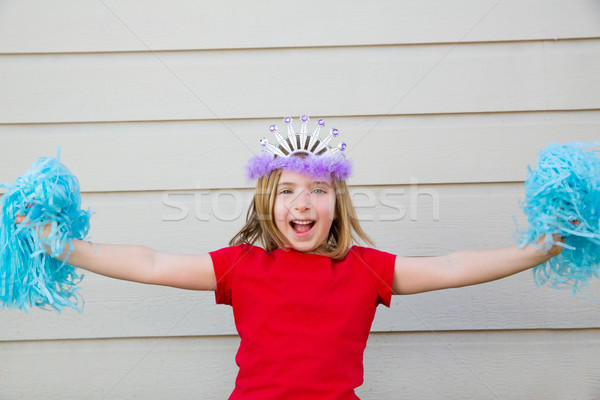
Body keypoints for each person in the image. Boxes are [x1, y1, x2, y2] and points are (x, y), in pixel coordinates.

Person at [17, 116, 563, 400]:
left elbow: (450, 267)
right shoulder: (241, 265)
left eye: (318, 190)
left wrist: (540, 249)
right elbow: (153, 263)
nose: (303, 202)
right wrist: (60, 246)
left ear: (337, 203)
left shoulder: (366, 269)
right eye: (287, 191)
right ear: (268, 203)